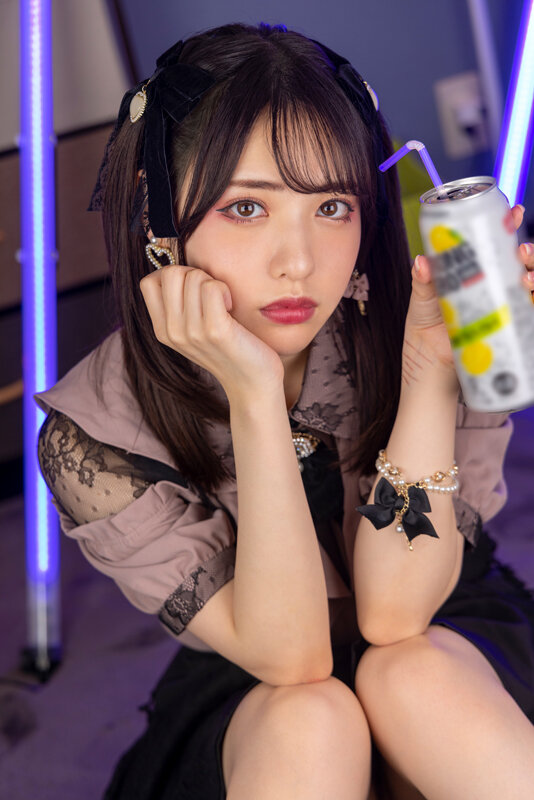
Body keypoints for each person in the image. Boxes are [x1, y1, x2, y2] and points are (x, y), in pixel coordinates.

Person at [35, 22, 534, 800]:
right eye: (246, 208)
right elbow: (294, 659)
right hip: (256, 681)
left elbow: (396, 617)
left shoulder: (416, 324)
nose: (298, 261)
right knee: (311, 718)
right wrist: (254, 394)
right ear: (157, 215)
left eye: (331, 205)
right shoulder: (94, 433)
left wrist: (432, 372)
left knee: (412, 675)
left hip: (441, 623)